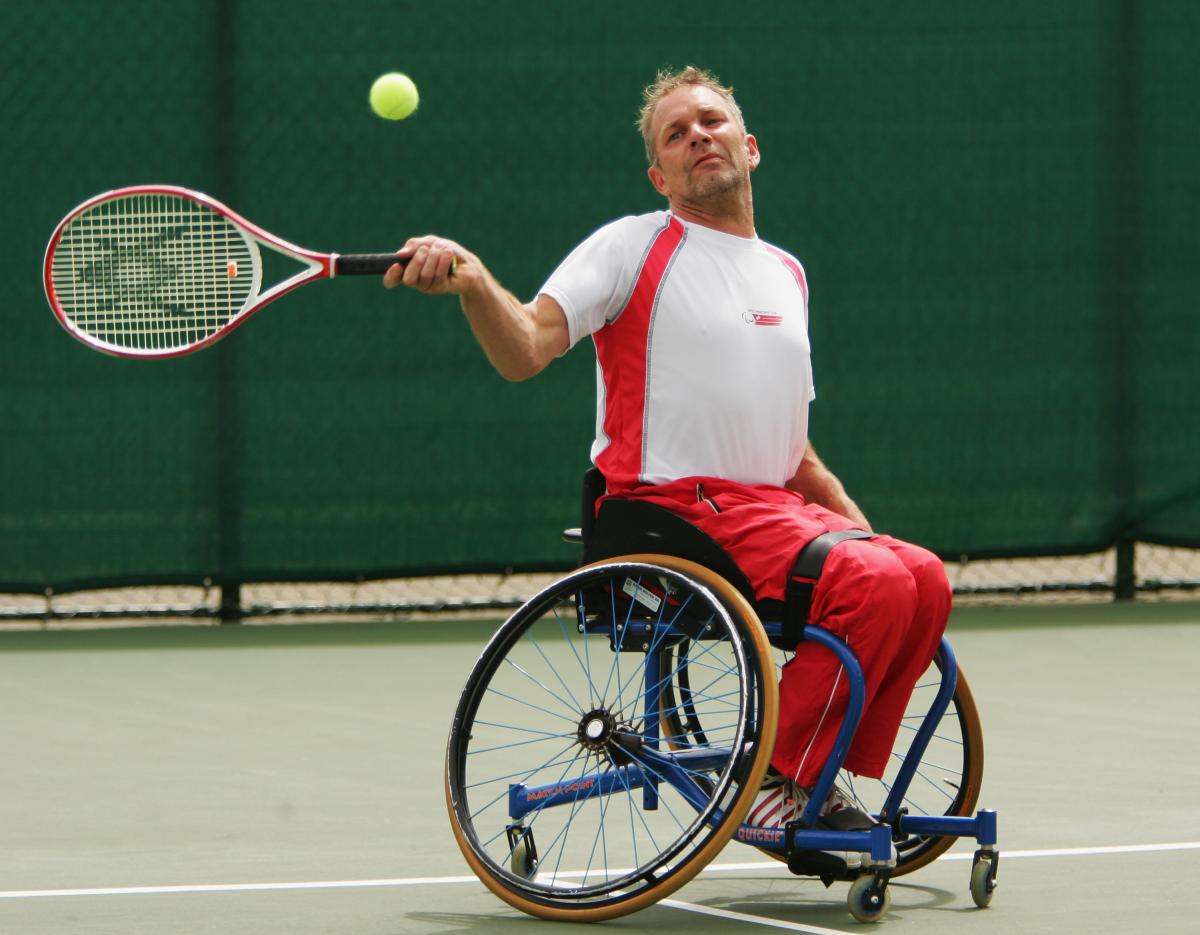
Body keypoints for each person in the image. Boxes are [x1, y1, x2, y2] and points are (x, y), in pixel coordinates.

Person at [384, 66, 951, 869]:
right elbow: (526, 348)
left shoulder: (787, 273)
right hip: (669, 511)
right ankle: (774, 781)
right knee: (878, 583)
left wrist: (851, 516)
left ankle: (817, 780)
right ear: (661, 175)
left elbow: (793, 441)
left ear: (748, 146)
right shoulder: (633, 245)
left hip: (774, 512)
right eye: (676, 136)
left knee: (922, 574)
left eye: (711, 123)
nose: (698, 139)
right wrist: (474, 280)